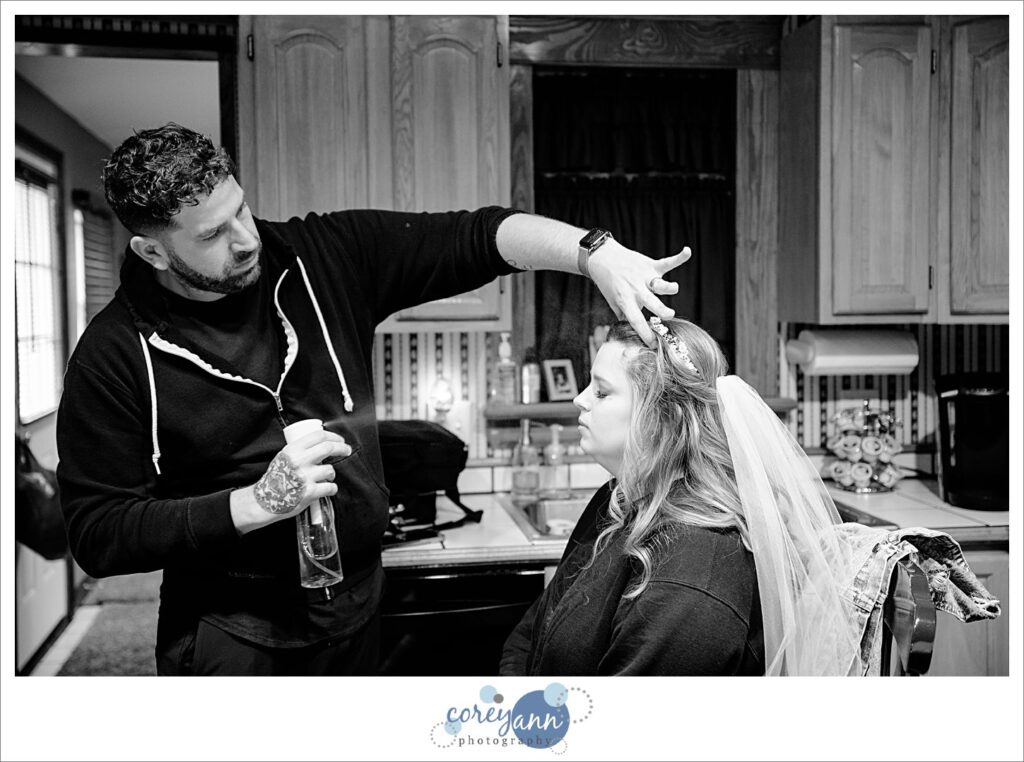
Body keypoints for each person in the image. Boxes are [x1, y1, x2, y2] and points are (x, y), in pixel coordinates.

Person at [55, 123, 689, 676]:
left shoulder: (324, 257)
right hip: (230, 628)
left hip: (357, 607)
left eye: (241, 210)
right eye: (213, 234)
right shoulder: (112, 355)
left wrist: (593, 253)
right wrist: (254, 504)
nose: (246, 238)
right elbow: (98, 534)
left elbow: (480, 236)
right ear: (152, 250)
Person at [501, 316, 873, 676]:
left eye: (601, 391)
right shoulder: (615, 500)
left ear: (660, 416)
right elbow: (531, 633)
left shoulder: (694, 575)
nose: (580, 400)